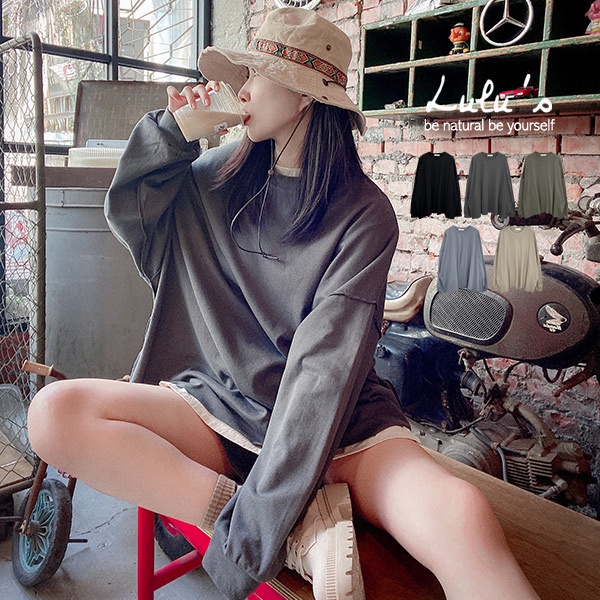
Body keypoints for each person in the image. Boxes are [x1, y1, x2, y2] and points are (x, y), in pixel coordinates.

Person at [28, 7, 541, 600]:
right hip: (223, 407)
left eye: (257, 75)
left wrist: (257, 529)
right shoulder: (213, 177)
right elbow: (135, 217)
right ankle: (294, 529)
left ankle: (284, 516)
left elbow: (324, 373)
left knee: (461, 515)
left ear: (304, 96)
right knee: (54, 414)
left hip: (339, 421)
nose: (241, 90)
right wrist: (170, 133)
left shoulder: (364, 214)